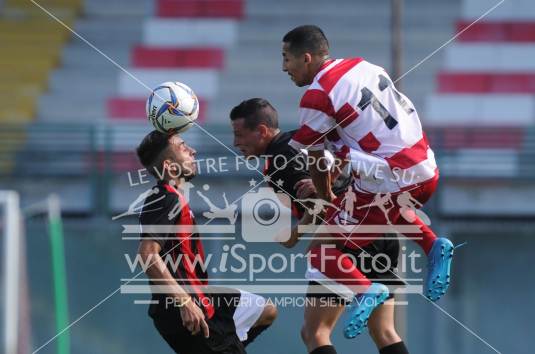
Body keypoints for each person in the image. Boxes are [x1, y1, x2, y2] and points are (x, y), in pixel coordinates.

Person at [281, 24, 456, 352]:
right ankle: (432, 245)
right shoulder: (364, 66)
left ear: (306, 58)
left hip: (390, 176)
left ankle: (364, 290)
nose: (284, 68)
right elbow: (351, 138)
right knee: (384, 211)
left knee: (319, 250)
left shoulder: (318, 95)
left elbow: (317, 157)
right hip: (424, 168)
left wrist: (325, 195)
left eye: (287, 58)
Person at [229, 98, 408, 354]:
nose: (236, 143)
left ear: (262, 131)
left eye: (239, 134)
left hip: (345, 242)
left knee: (315, 332)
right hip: (379, 227)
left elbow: (320, 200)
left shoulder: (280, 160)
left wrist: (295, 235)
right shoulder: (302, 139)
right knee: (384, 331)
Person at [136, 130, 277, 354]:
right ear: (170, 166)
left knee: (265, 310)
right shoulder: (165, 197)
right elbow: (147, 256)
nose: (193, 151)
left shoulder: (173, 197)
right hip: (183, 308)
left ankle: (227, 343)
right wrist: (184, 302)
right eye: (183, 147)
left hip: (202, 298)